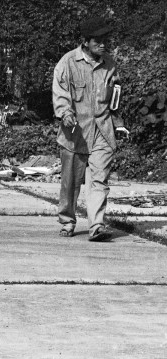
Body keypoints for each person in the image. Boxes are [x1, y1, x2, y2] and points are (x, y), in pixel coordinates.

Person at [52, 16, 129, 241]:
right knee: (70, 183)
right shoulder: (67, 63)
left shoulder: (110, 65)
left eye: (106, 40)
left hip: (103, 130)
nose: (103, 44)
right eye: (98, 41)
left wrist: (119, 124)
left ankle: (96, 226)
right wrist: (65, 114)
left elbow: (115, 99)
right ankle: (67, 221)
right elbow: (60, 94)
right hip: (75, 132)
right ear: (85, 42)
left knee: (99, 179)